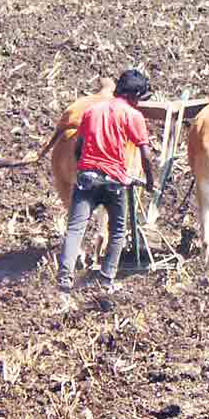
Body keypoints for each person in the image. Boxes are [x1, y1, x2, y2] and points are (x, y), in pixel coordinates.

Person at [56, 69, 156, 294]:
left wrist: (85, 167)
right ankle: (106, 279)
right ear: (134, 96)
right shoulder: (133, 115)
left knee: (75, 227)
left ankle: (64, 277)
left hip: (86, 179)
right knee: (118, 230)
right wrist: (149, 181)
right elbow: (145, 154)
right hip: (114, 181)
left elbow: (79, 147)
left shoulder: (92, 111)